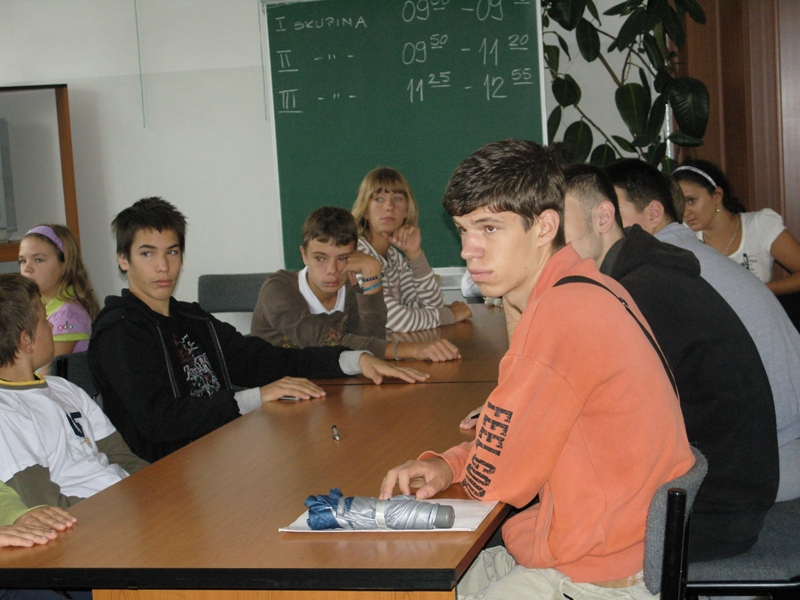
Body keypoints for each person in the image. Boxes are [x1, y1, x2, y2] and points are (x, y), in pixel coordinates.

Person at [380, 140, 694, 599]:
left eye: (489, 228)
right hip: (617, 544)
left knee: (414, 576)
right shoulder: (590, 285)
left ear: (545, 226)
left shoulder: (561, 314)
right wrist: (449, 464)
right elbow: (517, 436)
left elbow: (500, 477)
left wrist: (461, 463)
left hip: (598, 576)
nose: (468, 250)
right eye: (463, 230)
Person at [89, 197, 428, 463]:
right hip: (166, 473)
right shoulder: (120, 330)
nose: (163, 266)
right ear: (123, 259)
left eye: (172, 252)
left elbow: (263, 360)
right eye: (147, 254)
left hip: (223, 451)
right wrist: (255, 396)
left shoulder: (192, 319)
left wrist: (353, 360)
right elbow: (158, 421)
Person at [562, 163, 778, 560]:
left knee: (527, 526)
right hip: (713, 496)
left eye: (558, 223)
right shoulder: (643, 273)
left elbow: (594, 421)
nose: (547, 239)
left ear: (603, 218)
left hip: (708, 513)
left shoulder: (639, 293)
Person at [606, 158, 800, 502]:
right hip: (780, 448)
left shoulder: (662, 271)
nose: (603, 225)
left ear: (654, 213)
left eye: (612, 213)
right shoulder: (689, 255)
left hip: (764, 464)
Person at [0, 274, 147, 511]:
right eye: (45, 319)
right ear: (26, 341)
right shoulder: (6, 413)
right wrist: (123, 505)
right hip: (94, 518)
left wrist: (156, 487)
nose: (51, 325)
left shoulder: (64, 388)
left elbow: (123, 458)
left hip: (128, 500)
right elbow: (46, 507)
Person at [251, 206, 461, 362]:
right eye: (320, 258)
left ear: (355, 255)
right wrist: (412, 349)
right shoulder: (278, 289)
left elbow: (371, 340)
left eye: (342, 258)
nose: (332, 270)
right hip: (275, 389)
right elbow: (327, 343)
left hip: (324, 383)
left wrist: (372, 276)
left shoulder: (350, 286)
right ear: (304, 255)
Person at [352, 167, 472, 332]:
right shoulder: (355, 254)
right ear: (365, 210)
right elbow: (393, 319)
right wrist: (448, 315)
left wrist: (415, 255)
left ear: (406, 211)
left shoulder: (393, 257)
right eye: (379, 199)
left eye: (397, 198)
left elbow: (432, 305)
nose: (389, 206)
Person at [673, 159, 800, 296]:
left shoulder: (760, 225)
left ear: (717, 196)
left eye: (691, 200)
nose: (685, 212)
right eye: (679, 204)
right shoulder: (682, 237)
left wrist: (760, 291)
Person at [18, 224, 100, 367]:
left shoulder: (68, 315)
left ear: (65, 264)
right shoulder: (35, 306)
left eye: (38, 260)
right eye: (22, 261)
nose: (27, 268)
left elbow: (47, 371)